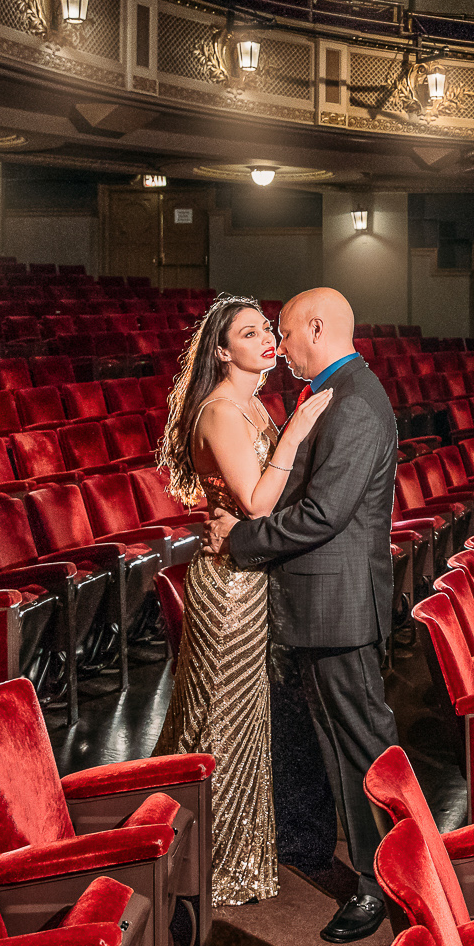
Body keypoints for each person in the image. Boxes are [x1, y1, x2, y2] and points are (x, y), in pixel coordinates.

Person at [207, 287, 401, 944]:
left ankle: (385, 886)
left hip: (338, 607)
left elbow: (323, 516)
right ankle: (379, 869)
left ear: (317, 327)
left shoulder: (354, 405)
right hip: (328, 603)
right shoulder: (343, 395)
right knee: (348, 746)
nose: (279, 346)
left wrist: (239, 540)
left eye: (286, 333)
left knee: (363, 751)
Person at [152, 294, 335, 906]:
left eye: (267, 330)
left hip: (254, 574)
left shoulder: (256, 405)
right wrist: (302, 427)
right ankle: (205, 856)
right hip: (228, 584)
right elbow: (258, 504)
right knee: (221, 716)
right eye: (250, 332)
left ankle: (240, 845)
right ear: (222, 350)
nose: (268, 340)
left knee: (249, 714)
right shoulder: (221, 411)